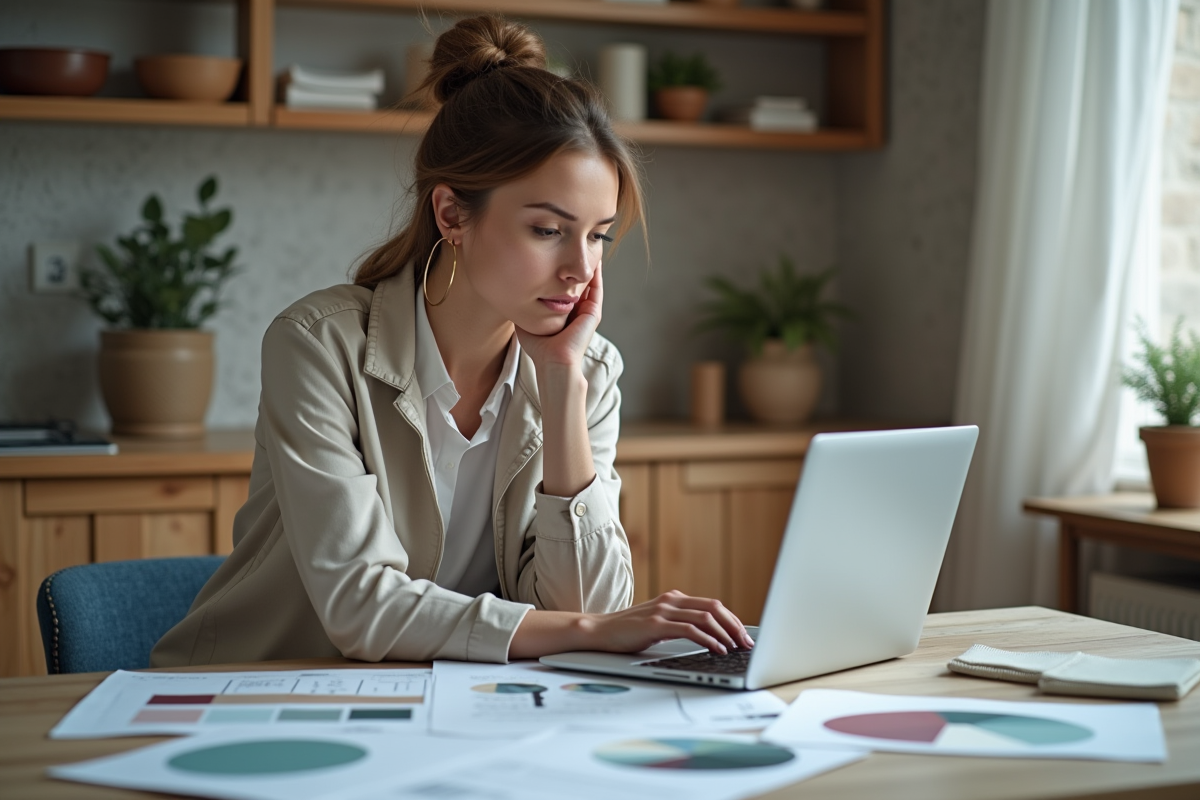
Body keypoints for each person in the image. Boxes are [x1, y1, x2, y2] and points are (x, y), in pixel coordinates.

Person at [151, 15, 752, 668]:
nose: (581, 268)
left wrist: (560, 383)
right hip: (258, 694)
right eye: (549, 230)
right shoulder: (318, 346)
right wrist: (587, 629)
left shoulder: (588, 370)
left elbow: (588, 603)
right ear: (451, 214)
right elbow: (361, 605)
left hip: (449, 706)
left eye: (598, 234)